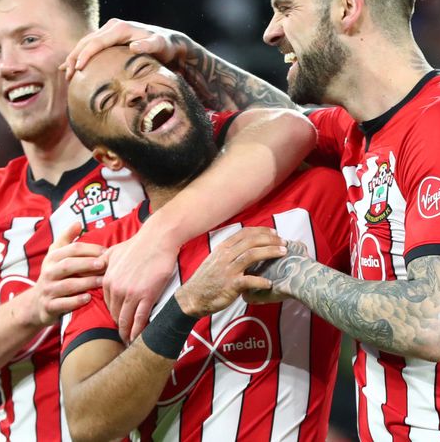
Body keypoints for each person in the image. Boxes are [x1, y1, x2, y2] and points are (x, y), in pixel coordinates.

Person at [61, 0, 440, 439]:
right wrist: (182, 50)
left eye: (286, 8)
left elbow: (435, 324)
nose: (271, 31)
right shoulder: (355, 135)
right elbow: (279, 124)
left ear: (347, 8)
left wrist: (289, 272)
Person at [0, 0, 319, 441]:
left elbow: (292, 126)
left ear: (88, 44)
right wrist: (35, 306)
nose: (9, 66)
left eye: (30, 40)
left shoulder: (159, 150)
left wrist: (185, 53)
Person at [59, 45, 352, 441]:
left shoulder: (318, 196)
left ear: (188, 87)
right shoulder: (106, 256)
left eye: (143, 68)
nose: (135, 91)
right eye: (109, 99)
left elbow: (302, 124)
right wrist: (183, 309)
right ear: (109, 156)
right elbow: (88, 422)